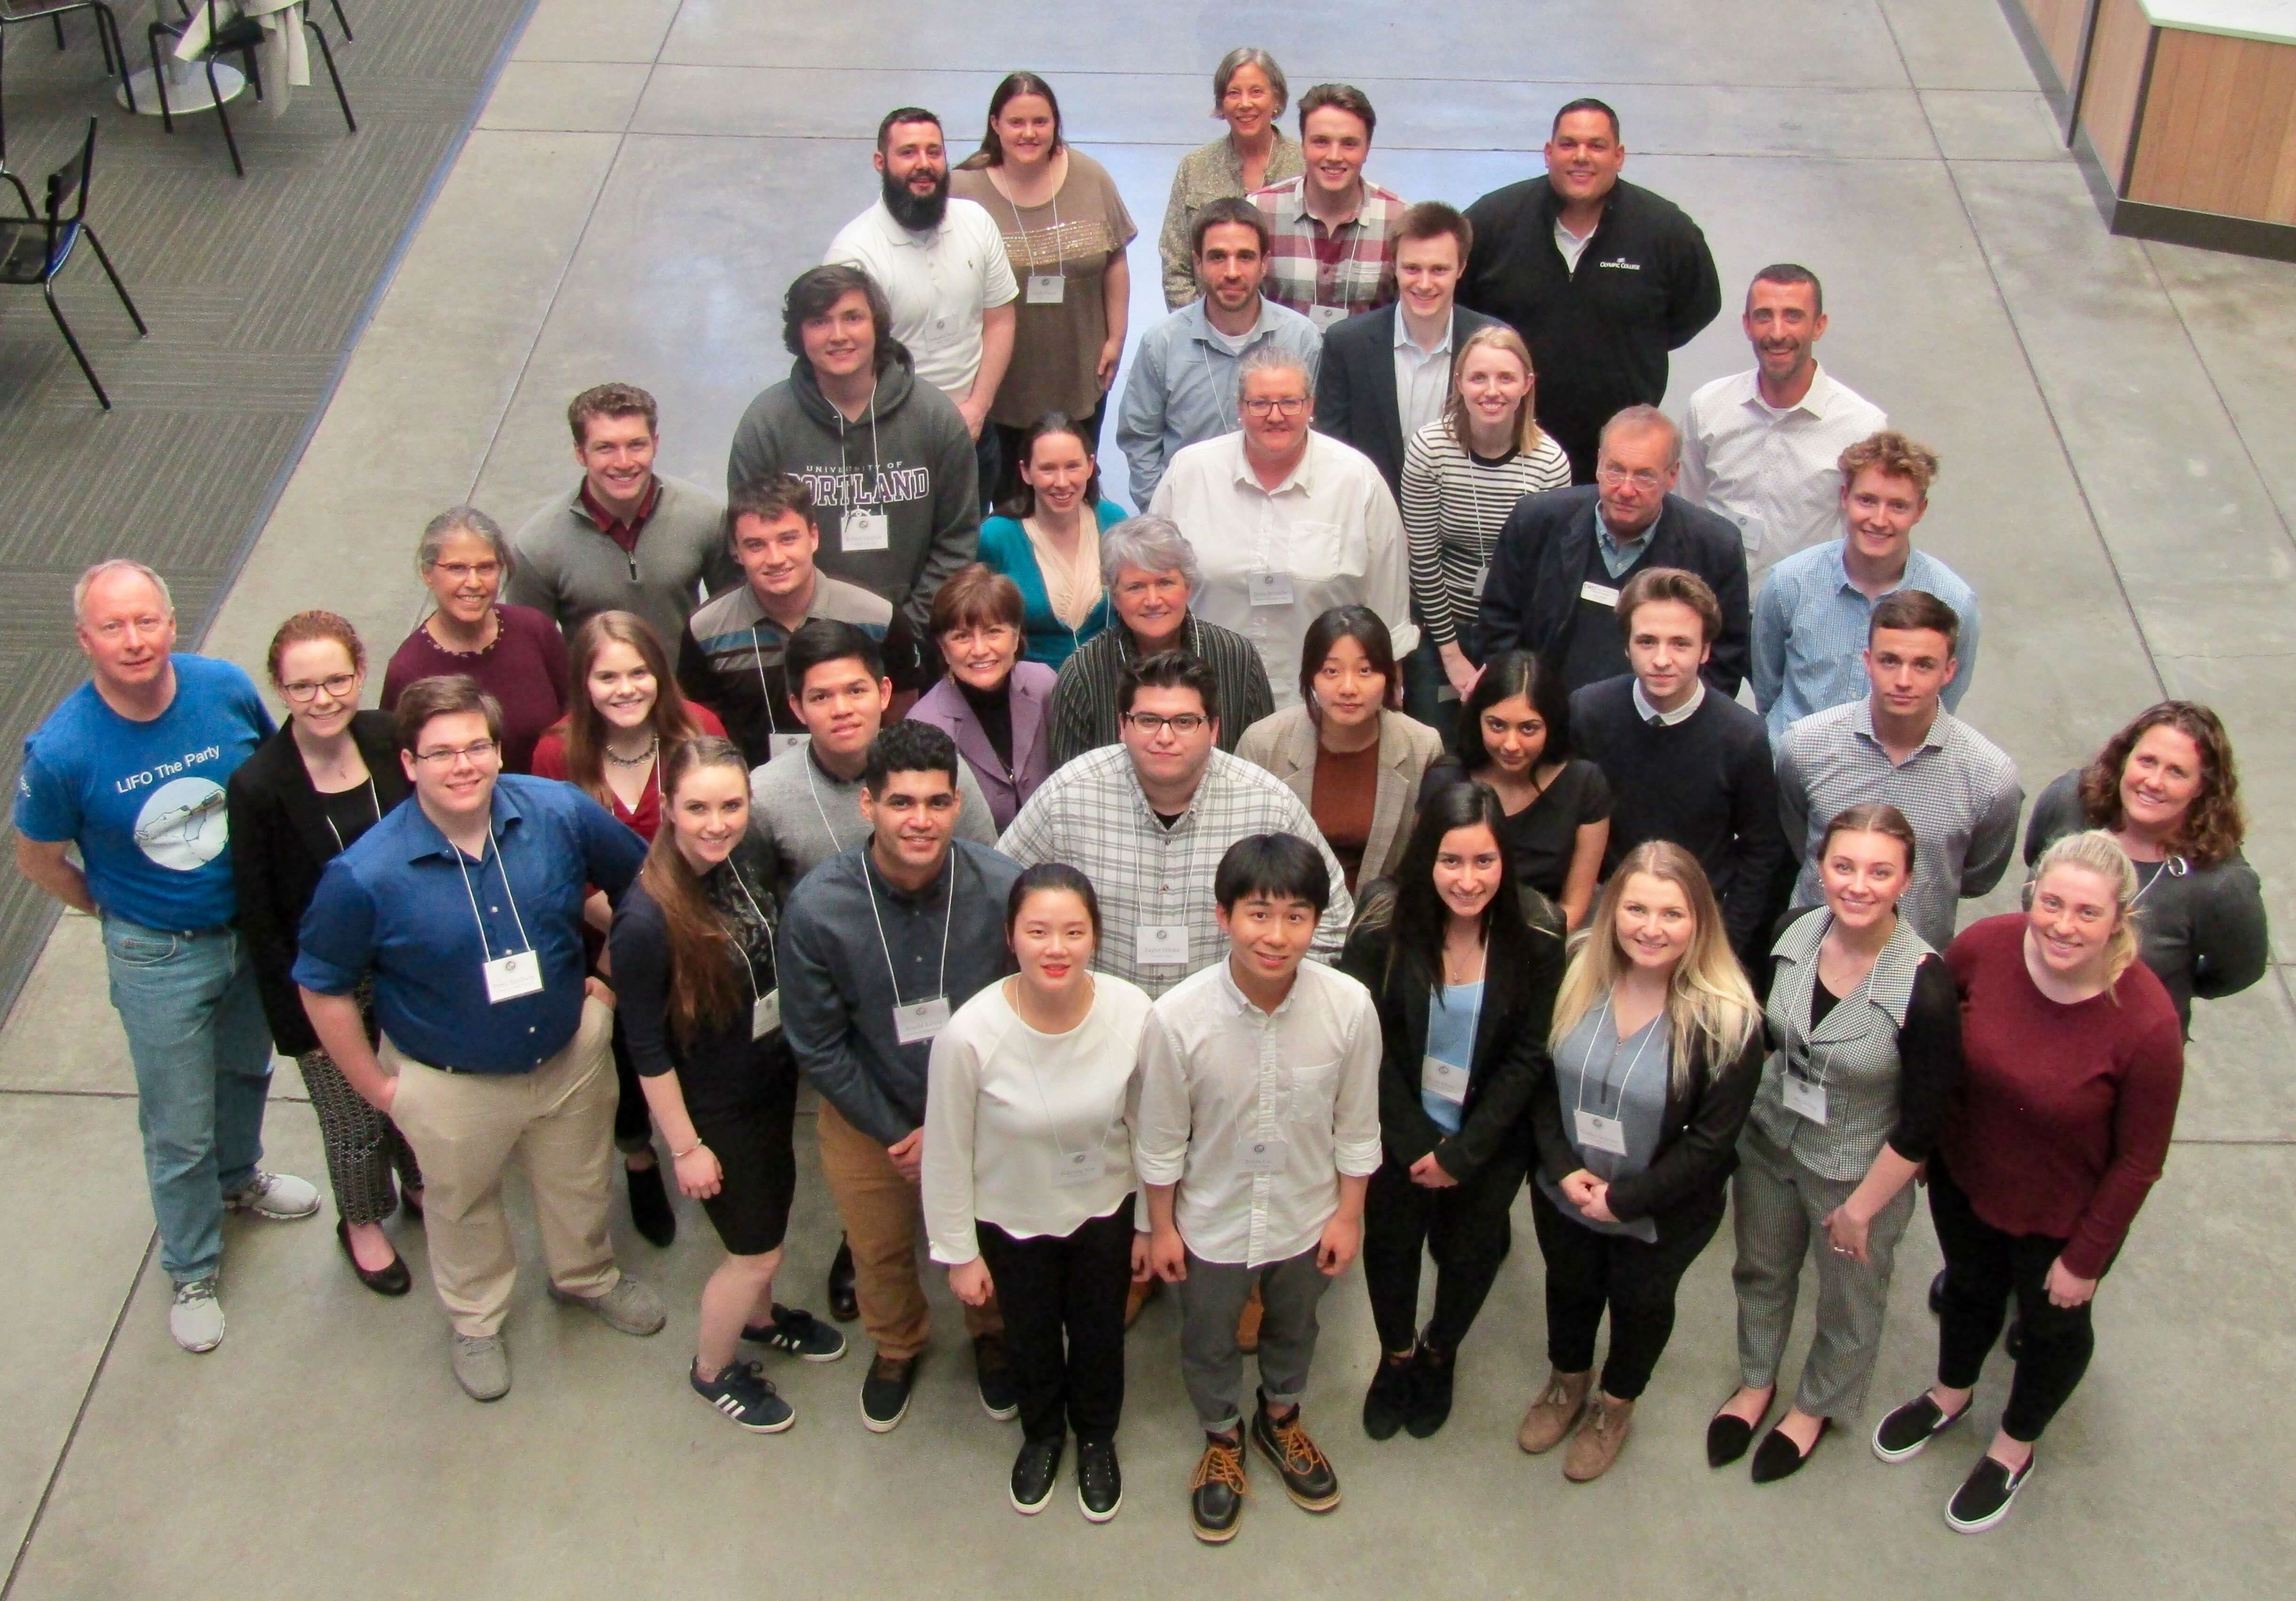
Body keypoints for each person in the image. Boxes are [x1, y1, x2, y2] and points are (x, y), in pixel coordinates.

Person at [293, 676, 662, 1403]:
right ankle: (476, 1318)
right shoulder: (363, 875)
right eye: (439, 753)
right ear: (408, 764)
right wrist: (378, 1088)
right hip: (449, 1082)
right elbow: (322, 985)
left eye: (475, 747)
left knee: (581, 1179)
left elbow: (645, 887)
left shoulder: (558, 813)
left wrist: (610, 984)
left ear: (498, 751)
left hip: (570, 1055)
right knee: (461, 1208)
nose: (461, 766)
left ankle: (584, 1276)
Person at [15, 560, 316, 1354]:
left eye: (147, 621)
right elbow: (39, 860)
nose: (134, 639)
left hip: (248, 935)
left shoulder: (221, 688)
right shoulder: (62, 751)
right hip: (158, 957)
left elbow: (273, 773)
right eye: (113, 626)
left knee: (246, 1072)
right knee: (178, 1124)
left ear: (172, 625)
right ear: (85, 640)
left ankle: (239, 1179)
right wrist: (116, 915)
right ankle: (191, 1267)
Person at [1873, 832, 2182, 1535]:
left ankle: (2014, 1443)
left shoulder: (2146, 1022)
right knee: (1968, 1289)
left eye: (2085, 913)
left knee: (2050, 1329)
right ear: (2030, 896)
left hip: (2060, 1217)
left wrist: (2085, 1260)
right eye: (2050, 903)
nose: (2062, 926)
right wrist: (1920, 1142)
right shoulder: (1985, 946)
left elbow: (2138, 1159)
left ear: (2117, 920)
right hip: (1964, 1180)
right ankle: (1949, 1394)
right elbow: (1933, 1044)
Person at [776, 720, 1026, 1432]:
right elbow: (817, 1045)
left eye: (937, 802)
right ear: (868, 806)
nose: (920, 820)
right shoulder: (818, 907)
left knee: (987, 1235)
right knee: (878, 1245)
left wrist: (958, 1130)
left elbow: (1026, 1012)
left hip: (985, 1113)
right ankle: (896, 1345)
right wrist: (903, 1132)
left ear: (956, 804)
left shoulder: (1001, 888)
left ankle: (992, 1337)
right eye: (901, 803)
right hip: (869, 1116)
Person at [1137, 834, 1381, 1543]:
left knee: (1294, 1326)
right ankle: (1221, 1435)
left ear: (1317, 922)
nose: (1275, 936)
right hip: (1208, 1219)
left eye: (1295, 916)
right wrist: (1161, 1228)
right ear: (1222, 917)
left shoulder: (1348, 1007)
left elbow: (1357, 1127)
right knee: (1207, 1334)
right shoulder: (1176, 1018)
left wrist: (1348, 1217)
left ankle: (1280, 1419)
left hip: (1306, 1217)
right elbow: (1157, 1141)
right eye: (1257, 914)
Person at [1709, 804, 1961, 1483]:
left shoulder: (1924, 986)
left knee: (1849, 1299)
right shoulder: (1791, 931)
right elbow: (1759, 1037)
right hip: (1769, 1142)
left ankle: (1814, 1405)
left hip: (1858, 1171)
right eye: (1843, 866)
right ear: (1819, 868)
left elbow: (1920, 1122)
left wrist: (1861, 1210)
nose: (1857, 885)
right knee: (1759, 1268)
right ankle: (1757, 1379)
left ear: (1906, 882)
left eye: (1879, 871)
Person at [609, 737, 845, 1437]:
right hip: (714, 1108)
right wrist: (685, 1148)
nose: (717, 822)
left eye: (731, 805)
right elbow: (646, 1050)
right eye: (697, 808)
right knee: (754, 1251)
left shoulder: (740, 858)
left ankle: (762, 1319)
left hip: (768, 1077)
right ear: (668, 809)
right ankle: (713, 1369)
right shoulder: (646, 918)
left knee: (768, 1215)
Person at [1517, 842, 1762, 1482]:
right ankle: (1566, 1382)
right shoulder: (1573, 971)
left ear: (1698, 922)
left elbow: (1711, 1143)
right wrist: (1563, 1167)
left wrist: (1623, 1200)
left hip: (1661, 1213)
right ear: (1610, 909)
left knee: (1638, 1303)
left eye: (1671, 914)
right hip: (1563, 1188)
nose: (1650, 929)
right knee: (1567, 1286)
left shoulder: (1727, 1019)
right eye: (1634, 908)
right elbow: (1537, 1080)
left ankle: (1614, 1405)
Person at [923, 864, 1155, 1521]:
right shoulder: (969, 1034)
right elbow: (946, 1150)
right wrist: (959, 1253)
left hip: (1104, 1209)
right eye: (1038, 931)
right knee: (1026, 1334)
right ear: (1010, 936)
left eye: (1073, 931)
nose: (1056, 948)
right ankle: (1042, 1435)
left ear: (1096, 938)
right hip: (1010, 1216)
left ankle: (1095, 1438)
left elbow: (1148, 1126)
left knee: (1098, 1331)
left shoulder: (1131, 1013)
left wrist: (1148, 1225)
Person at [1339, 784, 1566, 1441]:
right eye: (1450, 862)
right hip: (1395, 1129)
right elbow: (1366, 1046)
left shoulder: (1539, 933)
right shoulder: (1380, 927)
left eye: (1484, 862)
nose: (1467, 881)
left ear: (1505, 862)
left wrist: (1463, 1152)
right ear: (1423, 859)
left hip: (1489, 1136)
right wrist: (1415, 1143)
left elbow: (1529, 1055)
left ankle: (1439, 1351)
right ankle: (1395, 1354)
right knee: (1390, 1249)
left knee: (1469, 1254)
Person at [226, 611, 419, 1296]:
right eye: (303, 685)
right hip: (326, 983)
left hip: (406, 964)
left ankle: (421, 1184)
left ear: (361, 672)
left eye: (337, 679)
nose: (324, 697)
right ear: (279, 689)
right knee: (354, 1117)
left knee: (416, 1094)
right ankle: (363, 1223)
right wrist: (296, 1026)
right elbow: (260, 915)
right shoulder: (259, 786)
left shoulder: (389, 736)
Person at [531, 611, 727, 1248]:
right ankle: (639, 1158)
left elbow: (724, 828)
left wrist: (670, 919)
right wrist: (626, 928)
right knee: (622, 1056)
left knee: (697, 1049)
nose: (624, 688)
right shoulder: (556, 750)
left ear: (659, 674)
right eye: (606, 675)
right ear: (582, 683)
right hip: (601, 943)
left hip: (698, 931)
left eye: (638, 672)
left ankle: (701, 1145)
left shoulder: (699, 730)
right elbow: (552, 856)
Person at [1001, 651, 1353, 995]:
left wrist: (1270, 998)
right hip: (1097, 1024)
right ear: (1122, 726)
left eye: (1185, 722)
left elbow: (1335, 920)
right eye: (1148, 720)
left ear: (1214, 729)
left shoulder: (1267, 803)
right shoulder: (1068, 794)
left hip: (1223, 1028)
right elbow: (997, 894)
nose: (1165, 737)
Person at [1459, 98, 1721, 483]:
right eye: (1568, 145)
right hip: (1507, 445)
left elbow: (1699, 306)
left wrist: (1635, 345)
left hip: (1616, 455)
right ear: (1548, 154)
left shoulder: (1666, 231)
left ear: (1619, 156)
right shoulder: (1492, 222)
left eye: (1596, 146)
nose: (1581, 157)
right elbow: (1458, 313)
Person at [725, 264, 980, 640]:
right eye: (819, 322)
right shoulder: (766, 424)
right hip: (801, 643)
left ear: (877, 325)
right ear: (799, 335)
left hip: (916, 637)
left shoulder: (935, 418)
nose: (839, 335)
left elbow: (957, 540)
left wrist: (904, 631)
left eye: (853, 318)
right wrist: (809, 637)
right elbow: (750, 541)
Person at [1150, 347, 1415, 708]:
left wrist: (1388, 698)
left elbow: (1389, 609)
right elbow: (1155, 589)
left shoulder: (1356, 480)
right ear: (1239, 409)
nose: (1275, 416)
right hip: (1207, 699)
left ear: (1310, 407)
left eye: (1289, 402)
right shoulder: (1189, 474)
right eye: (1260, 403)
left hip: (1323, 704)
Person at [1777, 590, 2021, 954]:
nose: (1903, 680)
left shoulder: (1989, 777)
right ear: (1867, 661)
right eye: (1889, 661)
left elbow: (1975, 876)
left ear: (1949, 670)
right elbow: (1800, 841)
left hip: (1916, 973)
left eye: (1923, 664)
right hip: (1810, 958)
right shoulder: (1805, 747)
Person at [1569, 569, 1786, 969]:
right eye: (1647, 641)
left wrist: (1724, 945)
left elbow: (1761, 851)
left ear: (1706, 650)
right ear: (1626, 645)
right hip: (1604, 922)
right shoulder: (1588, 713)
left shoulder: (1743, 737)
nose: (1662, 660)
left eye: (1681, 644)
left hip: (1700, 931)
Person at [2021, 701, 2268, 1034]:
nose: (2154, 781)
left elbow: (2239, 970)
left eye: (2176, 772)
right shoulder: (2070, 802)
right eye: (2147, 761)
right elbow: (2035, 858)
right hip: (2029, 1011)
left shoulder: (2223, 885)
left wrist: (2163, 984)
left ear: (2202, 787)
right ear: (2125, 759)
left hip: (2127, 1043)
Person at [949, 75, 1136, 505]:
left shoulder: (1091, 177)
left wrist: (1116, 336)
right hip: (1001, 384)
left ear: (1056, 124)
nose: (1029, 133)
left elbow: (1115, 260)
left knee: (1072, 493)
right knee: (1011, 502)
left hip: (1078, 373)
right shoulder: (962, 189)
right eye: (1016, 122)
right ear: (995, 124)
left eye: (1041, 121)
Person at [1474, 405, 1750, 697]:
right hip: (1545, 719)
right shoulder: (1536, 522)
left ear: (1672, 476)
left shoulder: (1715, 547)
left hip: (1657, 726)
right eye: (1616, 470)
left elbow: (1724, 661)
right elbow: (1497, 626)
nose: (1626, 490)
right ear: (1598, 464)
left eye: (1644, 476)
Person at [825, 107, 1018, 505]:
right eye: (908, 153)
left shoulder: (977, 223)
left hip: (973, 433)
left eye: (934, 151)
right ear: (881, 162)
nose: (924, 165)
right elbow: (846, 362)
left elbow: (999, 320)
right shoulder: (854, 254)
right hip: (894, 443)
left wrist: (978, 408)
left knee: (968, 554)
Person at [677, 474, 922, 770]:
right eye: (756, 545)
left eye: (788, 539)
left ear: (814, 537)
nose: (776, 558)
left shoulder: (877, 618)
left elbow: (900, 713)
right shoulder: (706, 631)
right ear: (736, 553)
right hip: (751, 794)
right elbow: (703, 730)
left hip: (861, 786)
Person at [1397, 322, 1573, 727]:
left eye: (1505, 378)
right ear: (1458, 382)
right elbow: (1422, 558)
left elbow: (1544, 575)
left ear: (1527, 384)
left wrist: (1503, 659)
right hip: (1439, 626)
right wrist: (1452, 655)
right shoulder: (1430, 449)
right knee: (1437, 746)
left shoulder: (1550, 463)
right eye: (1478, 377)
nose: (1491, 391)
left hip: (1513, 634)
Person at [1753, 432, 1980, 741]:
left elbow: (1944, 697)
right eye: (1867, 501)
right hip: (1791, 775)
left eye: (1898, 506)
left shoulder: (1953, 602)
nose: (1879, 519)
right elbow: (1767, 688)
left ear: (1920, 511)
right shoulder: (1789, 582)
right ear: (1844, 497)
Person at [749, 618, 998, 890]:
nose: (842, 709)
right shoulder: (764, 795)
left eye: (856, 691)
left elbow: (986, 871)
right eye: (821, 697)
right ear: (798, 709)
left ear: (883, 693)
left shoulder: (937, 769)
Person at [1679, 267, 1888, 584]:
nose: (1777, 333)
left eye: (1793, 316)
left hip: (1800, 610)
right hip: (1710, 603)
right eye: (1764, 316)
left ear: (1819, 326)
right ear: (1747, 325)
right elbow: (1683, 512)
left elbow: (1864, 539)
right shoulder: (1707, 406)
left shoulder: (1861, 428)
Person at [1117, 198, 1322, 507]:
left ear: (1264, 263)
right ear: (1197, 263)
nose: (1231, 272)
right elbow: (1140, 441)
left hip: (1281, 509)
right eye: (1217, 257)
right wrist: (1163, 516)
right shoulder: (1162, 343)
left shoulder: (1300, 338)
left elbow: (1317, 435)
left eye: (1245, 257)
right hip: (1188, 518)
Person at [508, 382, 739, 652]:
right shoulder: (538, 547)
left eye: (636, 445)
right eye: (606, 448)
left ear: (656, 443)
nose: (624, 462)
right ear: (580, 453)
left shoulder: (706, 517)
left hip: (687, 693)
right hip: (594, 694)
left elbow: (736, 618)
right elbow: (529, 653)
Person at [1234, 607, 1445, 891]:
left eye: (1365, 671)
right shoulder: (1264, 744)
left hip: (1385, 923)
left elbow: (1431, 860)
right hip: (1287, 921)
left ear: (1389, 676)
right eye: (1331, 671)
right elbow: (1239, 856)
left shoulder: (1422, 747)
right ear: (1311, 677)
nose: (1348, 688)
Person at [1046, 516, 1275, 764]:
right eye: (1136, 587)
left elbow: (1263, 763)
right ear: (1115, 596)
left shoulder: (1238, 658)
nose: (1153, 600)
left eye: (1165, 583)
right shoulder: (1083, 672)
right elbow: (1070, 782)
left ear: (1188, 587)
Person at [1315, 202, 1499, 500]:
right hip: (1370, 517)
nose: (1424, 284)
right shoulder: (1347, 344)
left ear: (1462, 268)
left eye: (1439, 270)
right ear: (1394, 265)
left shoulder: (1494, 344)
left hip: (1462, 526)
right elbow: (1330, 449)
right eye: (1412, 268)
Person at [1420, 651, 1609, 932]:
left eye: (1528, 729)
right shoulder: (1445, 780)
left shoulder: (1584, 784)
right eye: (1497, 725)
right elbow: (1421, 885)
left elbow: (1573, 907)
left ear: (1551, 725)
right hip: (1449, 935)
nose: (1511, 744)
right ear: (1478, 720)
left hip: (1542, 941)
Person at [381, 506, 570, 774]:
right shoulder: (409, 669)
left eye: (486, 568)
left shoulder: (536, 631)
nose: (474, 582)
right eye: (457, 568)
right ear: (428, 574)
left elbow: (577, 718)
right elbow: (400, 770)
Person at [908, 564, 1057, 831]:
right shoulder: (925, 725)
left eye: (993, 632)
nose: (980, 650)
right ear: (943, 648)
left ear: (1015, 637)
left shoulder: (1044, 685)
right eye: (962, 636)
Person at [1246, 83, 1404, 329]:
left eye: (1349, 144)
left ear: (1367, 149)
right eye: (1321, 142)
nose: (1334, 156)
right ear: (1303, 145)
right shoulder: (1259, 212)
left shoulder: (1399, 221)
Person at [1157, 47, 1303, 311]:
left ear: (1277, 100)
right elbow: (1175, 263)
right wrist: (1197, 328)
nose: (1245, 104)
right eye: (1234, 93)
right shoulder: (1195, 168)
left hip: (1287, 335)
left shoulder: (1304, 165)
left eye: (1256, 92)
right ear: (1221, 104)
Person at [976, 413, 1124, 668]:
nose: (1062, 482)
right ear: (1026, 472)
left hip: (1112, 682)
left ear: (1090, 466)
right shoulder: (995, 536)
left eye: (1072, 466)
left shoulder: (1115, 522)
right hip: (1032, 692)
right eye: (1048, 469)